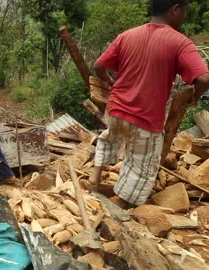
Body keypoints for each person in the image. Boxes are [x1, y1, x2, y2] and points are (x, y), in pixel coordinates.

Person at [86, 0, 209, 208]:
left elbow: (98, 66)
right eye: (185, 11)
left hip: (115, 110)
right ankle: (122, 204)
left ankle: (94, 177)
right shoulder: (180, 42)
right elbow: (204, 79)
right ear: (175, 9)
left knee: (109, 138)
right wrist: (195, 97)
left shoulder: (127, 35)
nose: (185, 16)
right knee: (142, 163)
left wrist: (109, 82)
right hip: (146, 117)